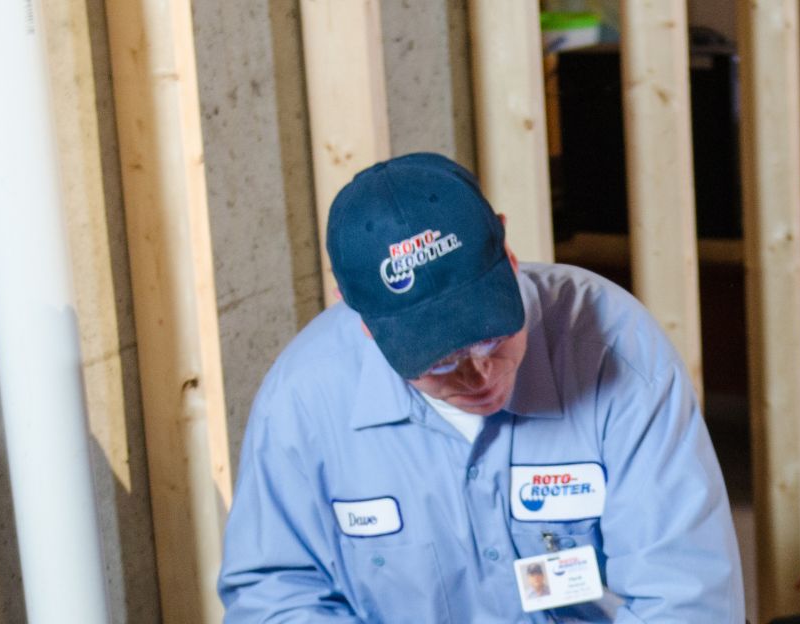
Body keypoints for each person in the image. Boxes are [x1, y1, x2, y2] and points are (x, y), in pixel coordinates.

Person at [218, 153, 745, 622]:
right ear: (362, 320)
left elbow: (684, 597)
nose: (480, 374)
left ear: (509, 255)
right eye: (441, 360)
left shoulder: (615, 350)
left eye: (492, 335)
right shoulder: (304, 399)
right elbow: (274, 596)